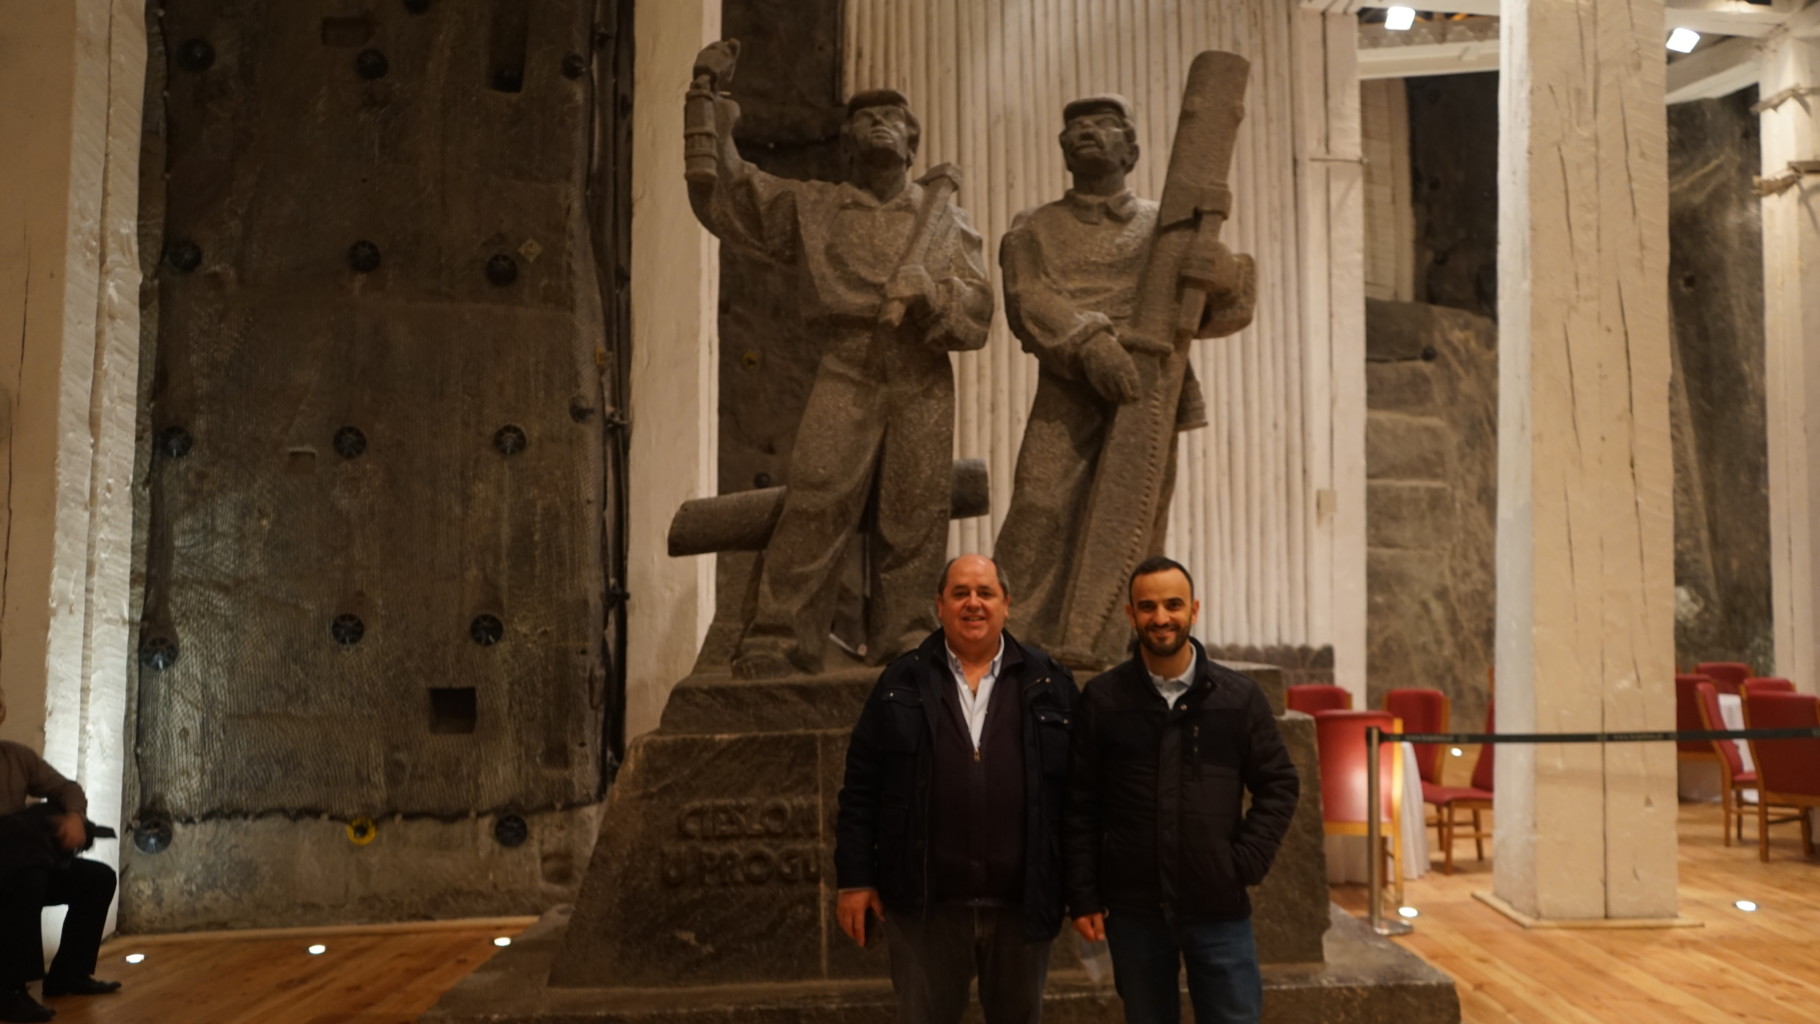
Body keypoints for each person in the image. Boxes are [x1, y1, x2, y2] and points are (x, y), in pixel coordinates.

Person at [687, 43, 994, 679]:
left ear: (912, 142)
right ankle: (780, 637)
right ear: (847, 142)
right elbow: (734, 191)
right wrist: (706, 103)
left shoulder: (946, 221)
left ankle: (907, 634)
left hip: (920, 370)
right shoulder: (816, 206)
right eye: (865, 117)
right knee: (817, 495)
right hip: (848, 363)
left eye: (893, 117)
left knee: (915, 510)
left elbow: (978, 311)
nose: (879, 122)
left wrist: (934, 293)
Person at [993, 95, 1254, 660]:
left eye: (1104, 124)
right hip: (1069, 383)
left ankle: (1110, 641)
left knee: (1133, 517)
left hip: (1149, 386)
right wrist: (1089, 344)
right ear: (1063, 150)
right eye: (1076, 126)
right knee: (1038, 507)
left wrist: (1222, 274)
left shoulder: (1166, 226)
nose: (1088, 131)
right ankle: (1012, 642)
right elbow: (1028, 298)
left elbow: (1224, 307)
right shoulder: (1035, 226)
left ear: (1130, 151)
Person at [834, 554, 1077, 1023]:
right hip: (925, 908)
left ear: (1006, 604)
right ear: (939, 605)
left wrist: (1083, 890)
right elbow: (861, 789)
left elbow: (1078, 797)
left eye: (985, 593)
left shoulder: (1051, 682)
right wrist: (855, 879)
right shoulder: (899, 681)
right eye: (960, 593)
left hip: (1021, 907)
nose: (973, 603)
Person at [1064, 557, 1297, 1024]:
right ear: (1130, 615)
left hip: (1219, 906)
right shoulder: (1104, 700)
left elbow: (1279, 784)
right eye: (1147, 606)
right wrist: (1084, 895)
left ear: (1194, 609)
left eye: (1173, 604)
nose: (1161, 617)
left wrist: (1243, 862)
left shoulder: (1238, 697)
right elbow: (1080, 805)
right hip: (1133, 909)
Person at [0, 689, 120, 1024]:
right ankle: (8, 991)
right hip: (14, 872)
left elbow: (67, 789)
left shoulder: (16, 757)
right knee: (28, 878)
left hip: (22, 865)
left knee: (97, 879)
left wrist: (75, 817)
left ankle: (69, 974)